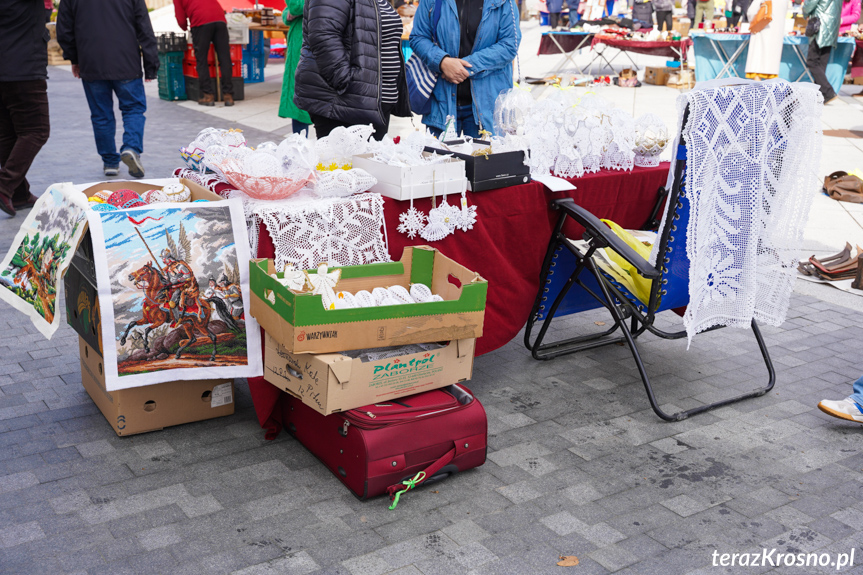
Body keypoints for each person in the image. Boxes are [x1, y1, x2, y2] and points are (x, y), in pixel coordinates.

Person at [57, 0, 158, 178]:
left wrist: (74, 58)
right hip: (126, 62)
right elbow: (144, 26)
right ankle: (131, 147)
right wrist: (151, 64)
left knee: (100, 114)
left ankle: (110, 162)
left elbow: (64, 29)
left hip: (91, 63)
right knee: (133, 109)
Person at [293, 0, 411, 140]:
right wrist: (347, 82)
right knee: (345, 161)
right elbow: (324, 35)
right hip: (346, 103)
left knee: (368, 160)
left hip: (373, 102)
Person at [410, 0, 521, 138]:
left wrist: (464, 66)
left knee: (484, 158)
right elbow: (418, 37)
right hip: (442, 104)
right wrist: (442, 62)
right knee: (442, 159)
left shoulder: (503, 2)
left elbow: (509, 44)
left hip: (488, 106)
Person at [0, 0, 51, 218]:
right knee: (36, 130)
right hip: (24, 67)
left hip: (5, 67)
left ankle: (19, 194)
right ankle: (4, 186)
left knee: (8, 134)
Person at [174, 0, 234, 107]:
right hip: (219, 19)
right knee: (224, 57)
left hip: (200, 22)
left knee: (201, 60)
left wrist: (185, 27)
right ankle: (228, 96)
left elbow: (181, 19)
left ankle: (208, 96)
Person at [278, 0, 311, 134]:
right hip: (303, 37)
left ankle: (300, 145)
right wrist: (288, 13)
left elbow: (297, 6)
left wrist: (293, 11)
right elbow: (290, 10)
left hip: (306, 40)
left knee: (301, 93)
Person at [803, 0, 842, 104]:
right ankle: (820, 95)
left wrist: (804, 12)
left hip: (820, 26)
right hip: (832, 26)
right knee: (821, 63)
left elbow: (809, 4)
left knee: (812, 62)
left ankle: (828, 92)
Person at [744, 0, 789, 78]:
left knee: (757, 64)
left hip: (762, 29)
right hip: (777, 32)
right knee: (771, 65)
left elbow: (751, 11)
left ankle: (758, 87)